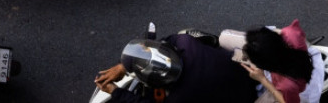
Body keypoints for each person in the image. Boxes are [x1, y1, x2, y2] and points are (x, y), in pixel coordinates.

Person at [95, 32, 259, 103]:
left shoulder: (177, 99)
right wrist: (124, 66)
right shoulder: (183, 42)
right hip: (245, 75)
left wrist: (115, 91)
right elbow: (163, 42)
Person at [240, 22, 315, 103]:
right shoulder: (289, 33)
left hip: (296, 92)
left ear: (266, 65)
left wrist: (263, 79)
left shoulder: (286, 85)